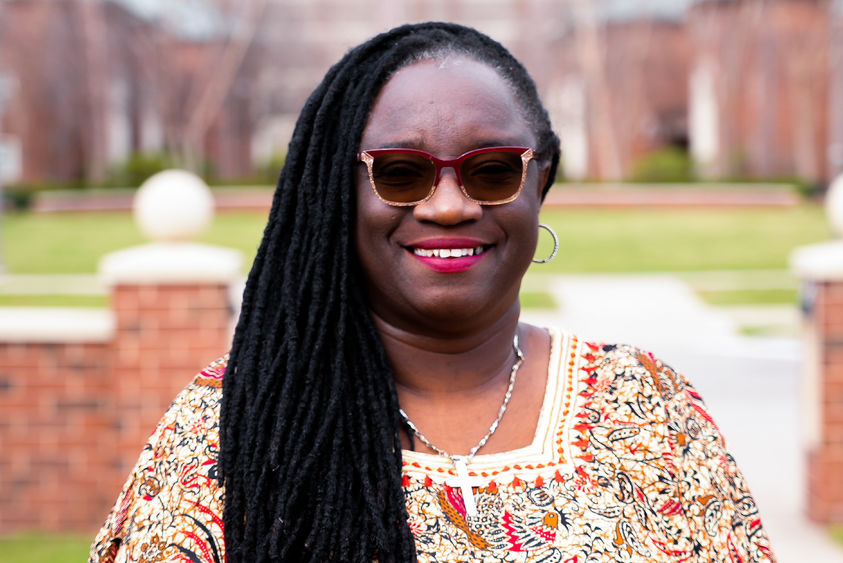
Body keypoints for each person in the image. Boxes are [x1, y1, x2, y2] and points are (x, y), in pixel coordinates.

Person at [90, 22, 776, 563]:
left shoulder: (648, 407)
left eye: (490, 170)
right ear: (337, 193)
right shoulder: (232, 422)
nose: (448, 205)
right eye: (399, 172)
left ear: (539, 184)